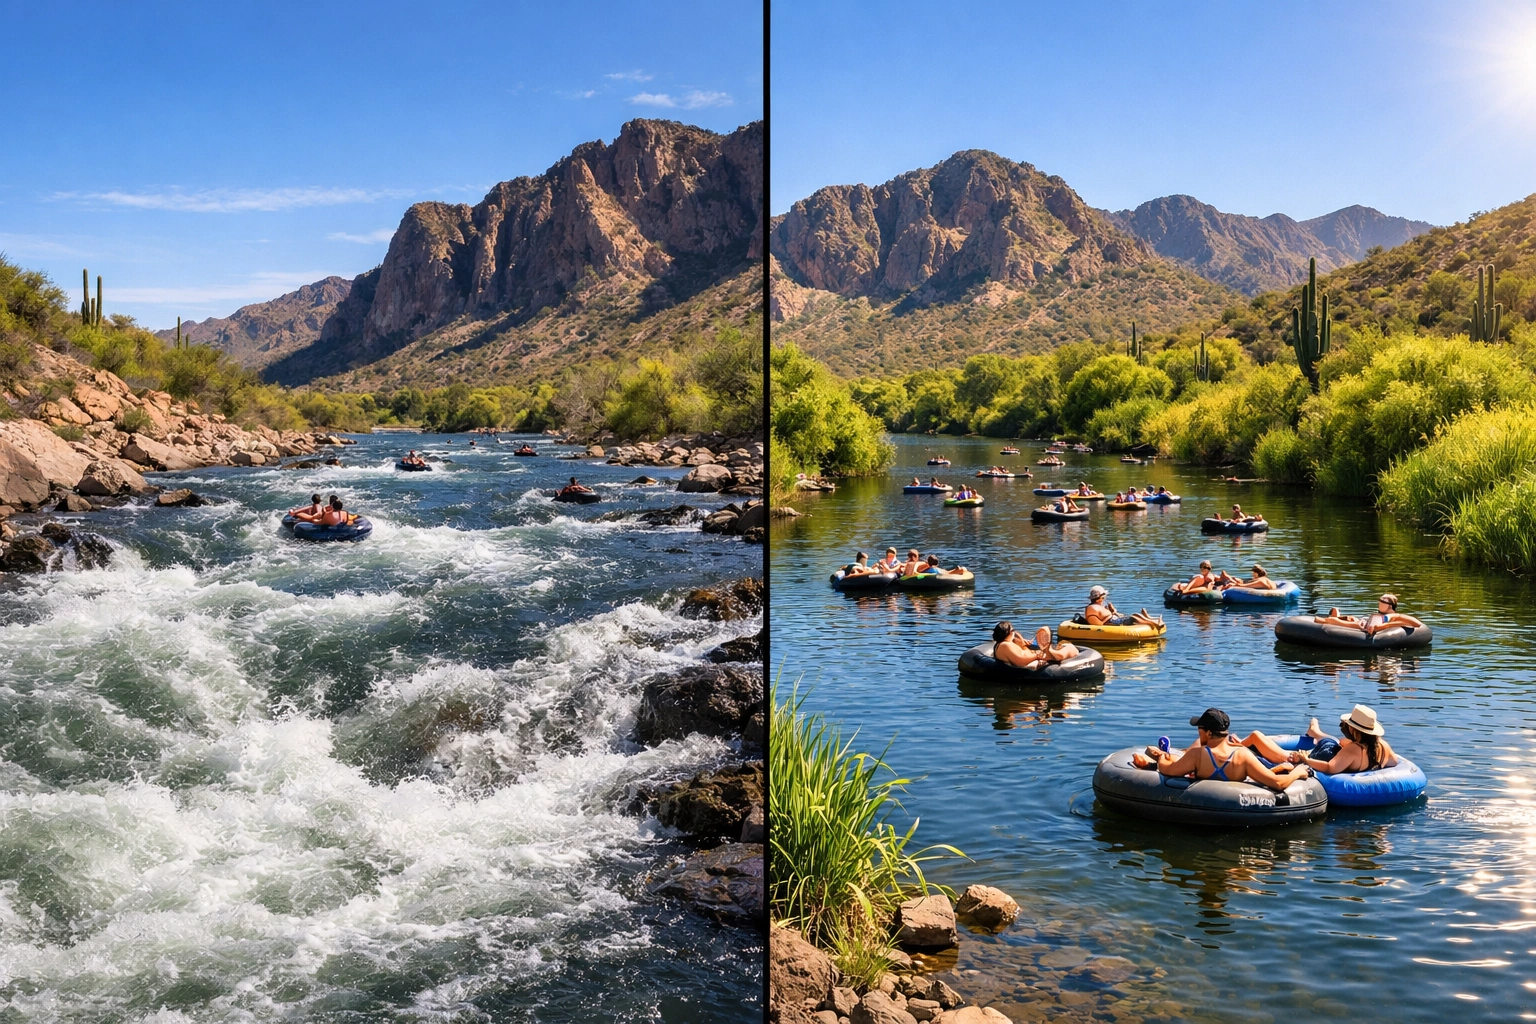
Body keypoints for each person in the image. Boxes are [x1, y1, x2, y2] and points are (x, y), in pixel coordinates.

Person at [1131, 708, 1313, 793]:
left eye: (1200, 730)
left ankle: (1162, 754)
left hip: (1204, 797)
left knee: (1171, 760)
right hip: (1236, 791)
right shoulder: (1243, 755)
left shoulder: (1198, 755)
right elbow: (1278, 784)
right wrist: (1298, 772)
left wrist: (1162, 758)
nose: (1198, 732)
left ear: (1209, 733)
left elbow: (1166, 770)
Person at [1235, 705, 1399, 775]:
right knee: (1335, 742)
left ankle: (1232, 747)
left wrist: (1305, 760)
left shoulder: (1354, 750)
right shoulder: (1383, 747)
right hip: (1322, 753)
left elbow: (1329, 768)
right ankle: (1315, 732)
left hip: (1306, 760)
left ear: (1353, 729)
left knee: (1256, 736)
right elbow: (1393, 763)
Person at [1313, 594, 1425, 635]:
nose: (1379, 602)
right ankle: (1334, 617)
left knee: (1337, 622)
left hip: (1367, 629)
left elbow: (1417, 623)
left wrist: (1383, 626)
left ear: (1390, 606)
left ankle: (1326, 620)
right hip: (1364, 624)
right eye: (1379, 600)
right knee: (1352, 618)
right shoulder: (1379, 614)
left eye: (1383, 601)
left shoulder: (1395, 615)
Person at [1083, 585, 1162, 627]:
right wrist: (1111, 615)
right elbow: (1098, 625)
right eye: (1104, 597)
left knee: (1135, 615)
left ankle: (1151, 619)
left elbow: (1109, 615)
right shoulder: (1091, 609)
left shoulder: (1100, 606)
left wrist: (1113, 611)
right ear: (1100, 598)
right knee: (1134, 617)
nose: (1105, 598)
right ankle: (1154, 623)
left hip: (1115, 620)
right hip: (1112, 623)